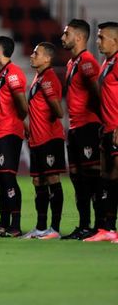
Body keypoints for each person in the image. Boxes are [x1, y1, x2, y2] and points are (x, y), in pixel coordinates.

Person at [60, 19, 103, 240]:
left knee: (92, 177)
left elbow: (98, 94)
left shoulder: (87, 62)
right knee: (77, 179)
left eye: (66, 34)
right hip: (75, 127)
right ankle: (84, 225)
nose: (62, 38)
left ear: (79, 37)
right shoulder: (72, 63)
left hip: (88, 126)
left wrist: (100, 120)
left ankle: (99, 226)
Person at [0, 36, 28, 238]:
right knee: (1, 178)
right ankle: (3, 223)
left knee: (8, 177)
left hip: (9, 132)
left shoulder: (13, 73)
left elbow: (22, 105)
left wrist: (14, 120)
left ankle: (15, 225)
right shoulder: (2, 72)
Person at [22, 43, 65, 239]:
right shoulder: (39, 78)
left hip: (50, 138)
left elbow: (58, 111)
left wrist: (45, 120)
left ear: (47, 58)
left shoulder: (48, 79)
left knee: (52, 179)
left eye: (36, 53)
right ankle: (40, 227)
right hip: (37, 139)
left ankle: (54, 228)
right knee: (38, 181)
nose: (32, 56)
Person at [85, 21, 118, 242]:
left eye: (101, 37)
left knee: (115, 176)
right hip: (107, 128)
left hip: (116, 128)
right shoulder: (108, 63)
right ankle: (108, 228)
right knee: (107, 177)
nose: (97, 42)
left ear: (115, 40)